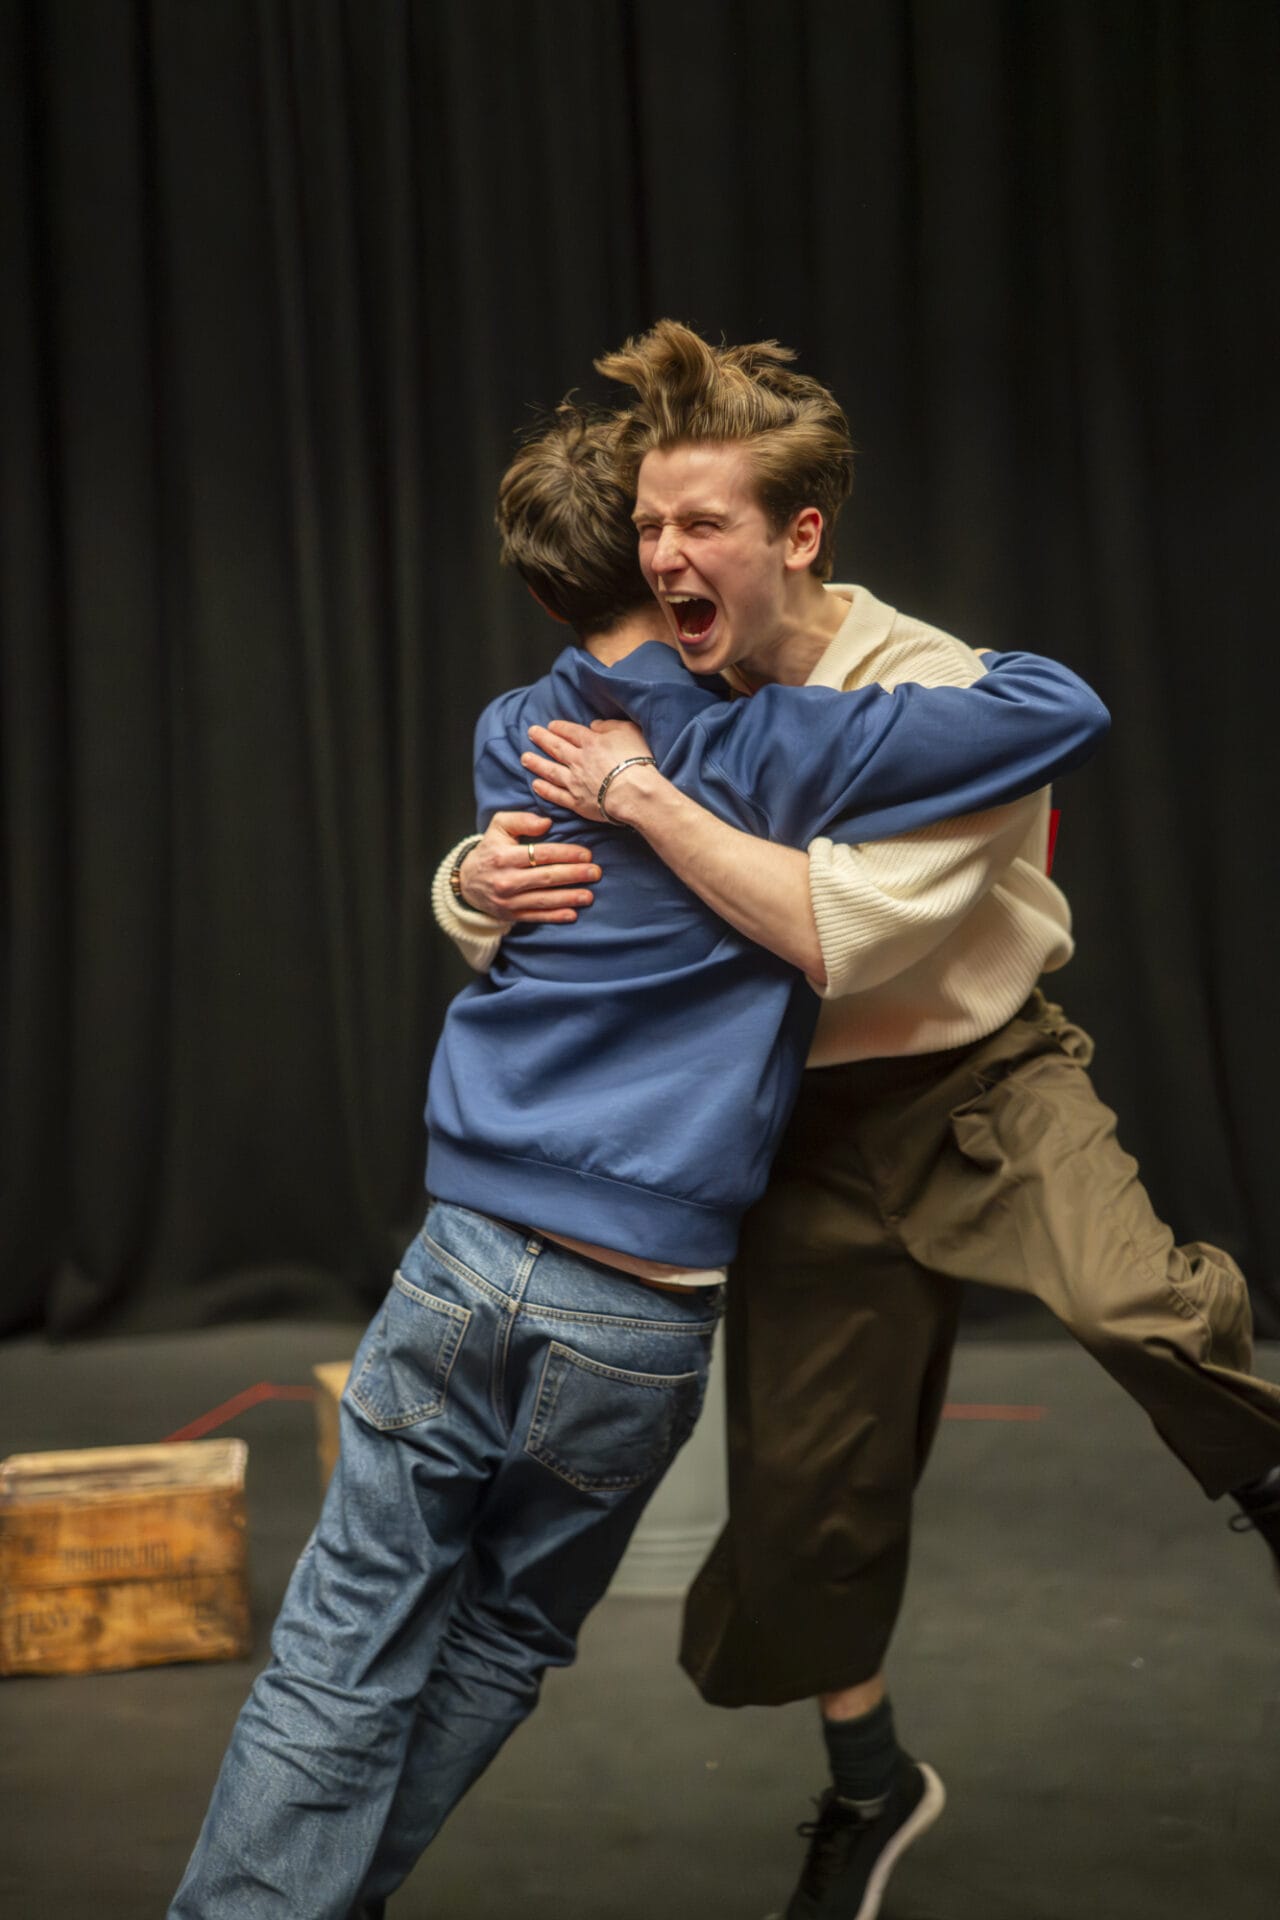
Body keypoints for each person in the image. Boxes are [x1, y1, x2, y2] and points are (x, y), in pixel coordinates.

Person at [167, 405, 1106, 1920]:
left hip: (463, 1251)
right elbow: (1053, 710)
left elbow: (528, 875)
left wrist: (507, 852)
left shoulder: (508, 733)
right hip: (637, 1307)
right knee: (499, 1641)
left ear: (543, 594)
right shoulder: (781, 746)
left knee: (341, 1644)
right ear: (668, 567)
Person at [437, 323, 1280, 1920]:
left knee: (1141, 1313)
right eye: (651, 529)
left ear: (796, 537)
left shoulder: (925, 688)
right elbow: (541, 880)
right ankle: (873, 1788)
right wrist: (473, 887)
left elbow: (836, 936)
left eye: (703, 529)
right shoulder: (654, 689)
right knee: (808, 1510)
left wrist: (646, 803)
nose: (665, 557)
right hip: (804, 1133)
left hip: (982, 1085)